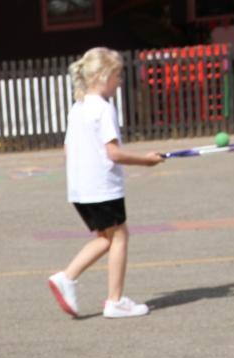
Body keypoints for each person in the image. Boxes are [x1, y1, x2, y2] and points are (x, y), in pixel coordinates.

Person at [48, 47, 163, 320]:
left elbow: (68, 150)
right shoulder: (103, 108)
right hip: (101, 187)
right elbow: (113, 153)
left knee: (106, 237)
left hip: (80, 189)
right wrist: (146, 161)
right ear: (102, 76)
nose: (120, 82)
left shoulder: (79, 106)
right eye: (118, 76)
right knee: (120, 235)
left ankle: (67, 278)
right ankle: (114, 300)